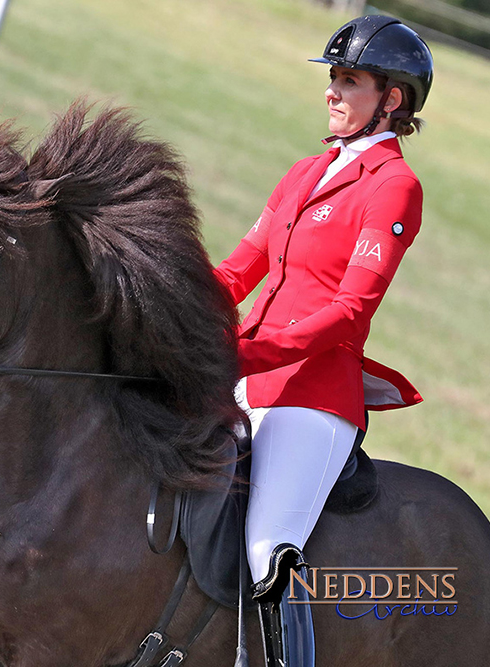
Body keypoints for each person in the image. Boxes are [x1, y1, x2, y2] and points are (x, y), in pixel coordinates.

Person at [212, 15, 434, 667]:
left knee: (265, 547)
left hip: (313, 398)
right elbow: (234, 273)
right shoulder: (303, 173)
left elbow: (349, 312)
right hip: (242, 378)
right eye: (332, 78)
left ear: (391, 100)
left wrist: (248, 352)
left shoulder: (396, 187)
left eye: (350, 80)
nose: (332, 91)